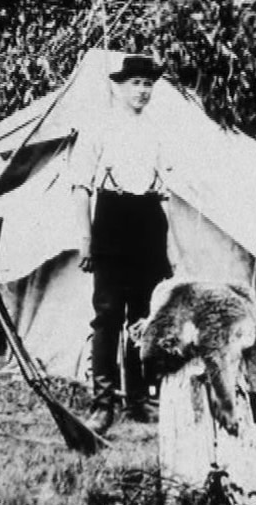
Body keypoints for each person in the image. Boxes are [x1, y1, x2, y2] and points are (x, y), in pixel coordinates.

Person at [71, 55, 177, 435]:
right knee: (108, 314)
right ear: (118, 86)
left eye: (148, 84)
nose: (143, 91)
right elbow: (80, 188)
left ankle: (138, 399)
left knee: (143, 317)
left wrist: (172, 249)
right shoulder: (99, 127)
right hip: (112, 221)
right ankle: (103, 404)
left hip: (149, 221)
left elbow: (165, 195)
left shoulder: (157, 130)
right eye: (135, 83)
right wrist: (86, 239)